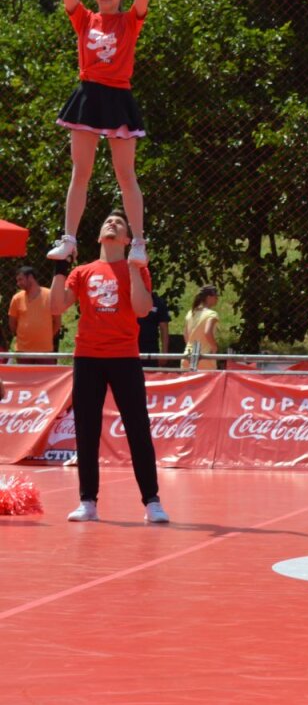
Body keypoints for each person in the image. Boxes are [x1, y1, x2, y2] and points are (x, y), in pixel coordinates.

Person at [42, 0, 162, 266]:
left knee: (126, 174)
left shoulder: (129, 21)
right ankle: (69, 240)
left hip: (119, 98)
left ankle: (138, 242)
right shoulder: (84, 19)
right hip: (88, 98)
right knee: (81, 172)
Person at [49, 208, 168, 524]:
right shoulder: (84, 271)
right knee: (86, 430)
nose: (112, 223)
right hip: (87, 357)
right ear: (100, 235)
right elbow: (56, 306)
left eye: (120, 223)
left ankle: (152, 501)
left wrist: (132, 267)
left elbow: (142, 310)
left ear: (128, 239)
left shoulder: (137, 269)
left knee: (138, 429)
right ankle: (87, 501)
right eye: (108, 221)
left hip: (124, 357)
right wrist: (61, 268)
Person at [9, 266, 61, 364]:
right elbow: (12, 324)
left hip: (45, 351)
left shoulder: (50, 295)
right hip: (23, 350)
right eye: (17, 281)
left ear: (30, 277)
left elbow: (57, 323)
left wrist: (46, 336)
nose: (18, 283)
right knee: (25, 378)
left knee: (45, 378)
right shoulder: (16, 298)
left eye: (20, 279)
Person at [182, 286, 219, 370]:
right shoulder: (212, 314)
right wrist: (214, 347)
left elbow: (185, 335)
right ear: (208, 297)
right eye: (216, 296)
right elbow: (207, 332)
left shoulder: (191, 313)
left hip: (187, 355)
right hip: (205, 356)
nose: (217, 299)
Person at [137, 291, 171, 368]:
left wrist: (164, 353)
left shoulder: (158, 302)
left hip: (151, 350)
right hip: (129, 349)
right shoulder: (126, 299)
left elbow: (164, 328)